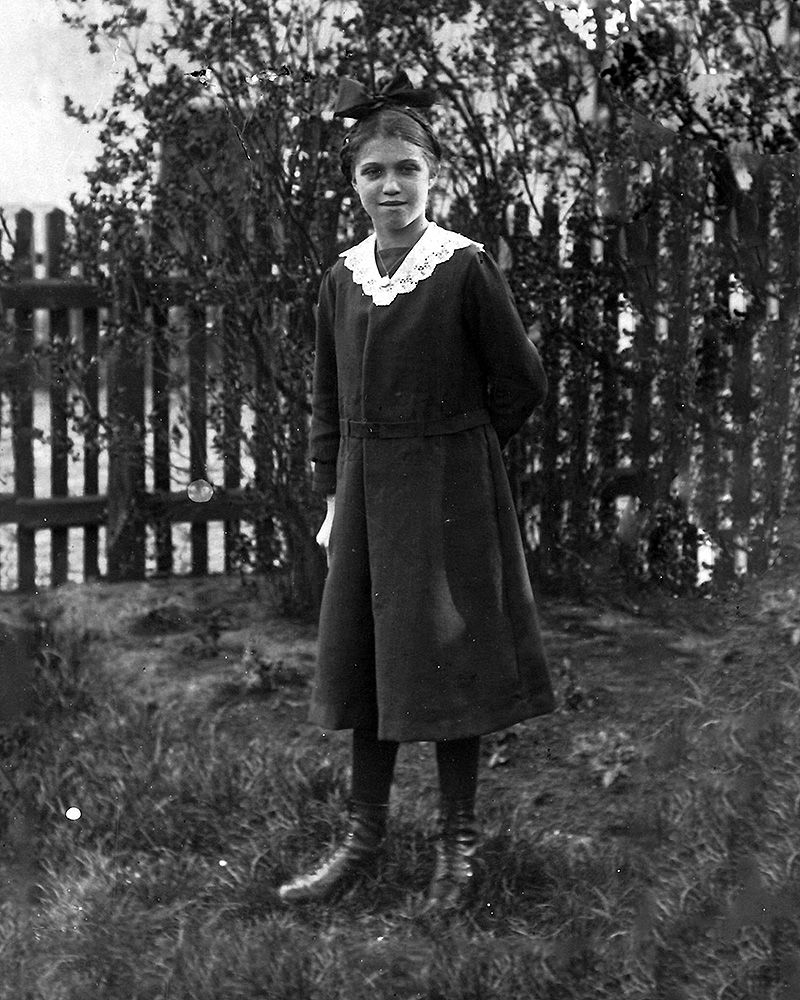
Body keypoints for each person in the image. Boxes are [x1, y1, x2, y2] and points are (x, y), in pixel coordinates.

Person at [277, 70, 555, 909]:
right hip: (365, 502)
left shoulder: (461, 267)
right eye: (373, 172)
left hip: (447, 499)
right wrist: (334, 496)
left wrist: (457, 456)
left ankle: (458, 851)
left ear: (435, 179)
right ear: (352, 182)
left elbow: (522, 383)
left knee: (448, 663)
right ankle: (362, 840)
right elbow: (328, 402)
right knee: (368, 663)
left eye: (407, 170)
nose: (390, 186)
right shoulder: (343, 279)